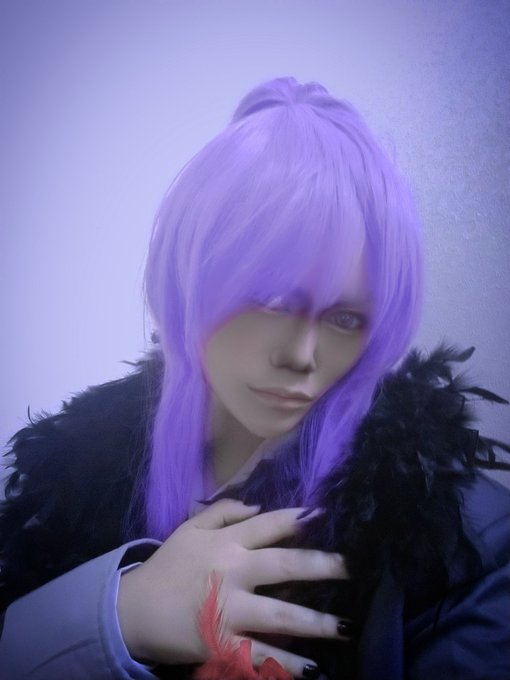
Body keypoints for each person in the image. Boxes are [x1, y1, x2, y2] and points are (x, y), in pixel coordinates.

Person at [0, 76, 509, 680]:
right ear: (186, 284)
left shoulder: (463, 538)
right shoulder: (69, 474)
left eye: (346, 318)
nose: (302, 354)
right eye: (271, 302)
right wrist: (117, 615)